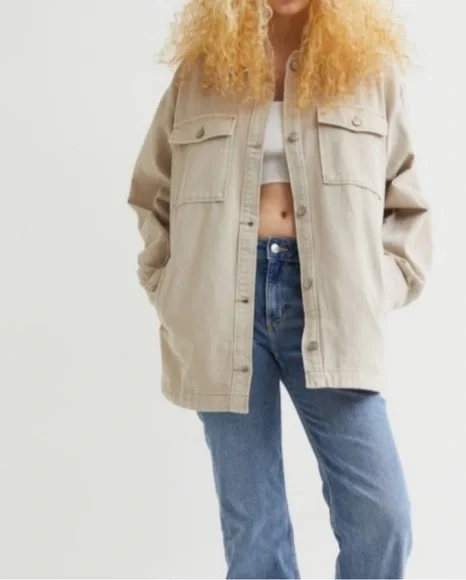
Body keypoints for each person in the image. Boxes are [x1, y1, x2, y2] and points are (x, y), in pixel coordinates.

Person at [128, 0, 432, 577]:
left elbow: (407, 205)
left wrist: (375, 288)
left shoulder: (369, 70)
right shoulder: (200, 73)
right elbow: (152, 194)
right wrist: (170, 286)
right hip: (219, 308)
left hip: (332, 308)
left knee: (381, 516)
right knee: (254, 531)